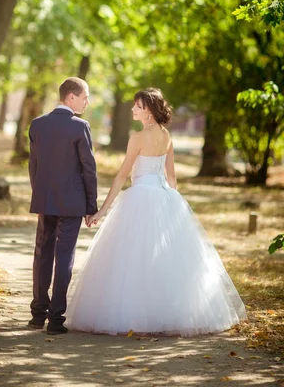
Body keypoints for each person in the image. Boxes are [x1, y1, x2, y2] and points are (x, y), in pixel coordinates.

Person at [66, 87, 247, 336]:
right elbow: (171, 176)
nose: (133, 109)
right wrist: (173, 203)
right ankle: (167, 315)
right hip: (164, 196)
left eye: (138, 106)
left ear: (149, 111)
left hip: (140, 196)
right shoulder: (166, 136)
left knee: (132, 259)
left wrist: (101, 211)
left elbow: (121, 176)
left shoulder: (137, 138)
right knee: (163, 260)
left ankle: (133, 316)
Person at [27, 77, 98, 335]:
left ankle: (37, 314)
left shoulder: (37, 125)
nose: (87, 101)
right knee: (64, 257)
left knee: (42, 255)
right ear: (71, 97)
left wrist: (40, 193)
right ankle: (56, 319)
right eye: (85, 97)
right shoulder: (80, 127)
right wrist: (91, 205)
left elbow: (33, 166)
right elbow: (88, 169)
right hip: (72, 203)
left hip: (45, 200)